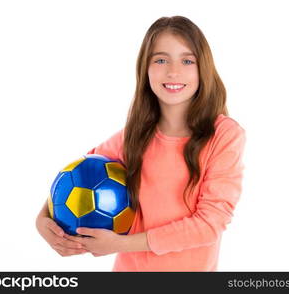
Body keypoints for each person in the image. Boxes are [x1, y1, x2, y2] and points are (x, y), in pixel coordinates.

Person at [36, 15, 246, 271]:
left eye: (187, 60)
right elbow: (79, 174)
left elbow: (209, 224)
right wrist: (42, 219)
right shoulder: (133, 136)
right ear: (145, 69)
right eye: (160, 59)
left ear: (203, 68)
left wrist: (118, 244)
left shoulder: (223, 136)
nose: (173, 71)